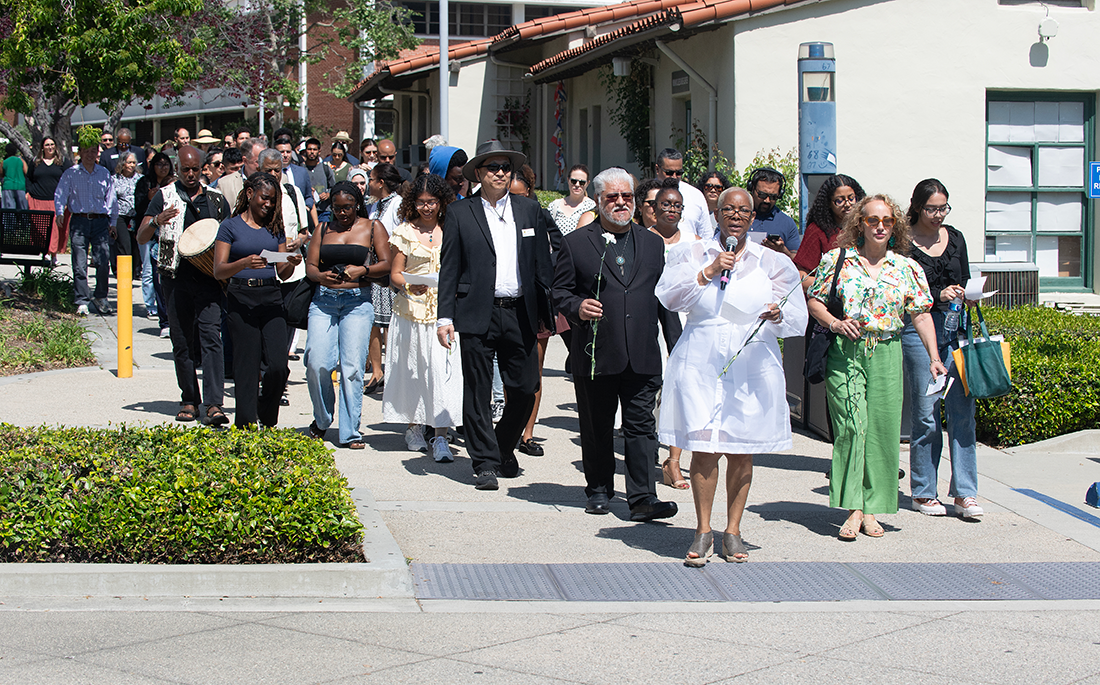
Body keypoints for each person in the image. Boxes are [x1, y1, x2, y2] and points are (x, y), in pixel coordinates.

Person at [656, 187, 807, 564]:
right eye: (728, 210)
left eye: (743, 211)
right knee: (704, 448)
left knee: (741, 450)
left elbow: (796, 316)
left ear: (752, 218)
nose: (736, 216)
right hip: (701, 360)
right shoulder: (690, 253)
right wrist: (708, 272)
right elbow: (669, 297)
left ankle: (733, 531)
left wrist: (777, 315)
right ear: (717, 215)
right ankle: (703, 530)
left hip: (751, 364)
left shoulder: (772, 262)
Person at [807, 194, 944, 540]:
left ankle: (871, 508)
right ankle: (852, 507)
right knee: (853, 426)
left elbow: (922, 313)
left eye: (886, 221)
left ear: (895, 225)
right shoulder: (837, 259)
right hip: (846, 351)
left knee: (882, 431)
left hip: (887, 350)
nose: (880, 226)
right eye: (872, 220)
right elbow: (814, 301)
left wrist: (934, 357)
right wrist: (836, 324)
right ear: (860, 224)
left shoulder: (907, 267)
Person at [551, 167, 678, 521]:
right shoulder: (576, 243)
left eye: (627, 196)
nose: (621, 203)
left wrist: (677, 346)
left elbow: (664, 298)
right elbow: (558, 291)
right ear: (598, 200)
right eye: (612, 197)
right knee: (597, 426)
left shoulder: (653, 243)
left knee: (641, 428)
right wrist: (577, 306)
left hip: (642, 353)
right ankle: (599, 490)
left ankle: (642, 498)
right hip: (597, 353)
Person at [437, 140, 554, 491]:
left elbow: (543, 265)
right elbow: (450, 268)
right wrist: (445, 317)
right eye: (493, 167)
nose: (501, 173)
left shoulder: (529, 210)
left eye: (506, 167)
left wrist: (548, 309)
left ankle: (503, 446)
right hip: (476, 312)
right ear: (478, 173)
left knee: (525, 386)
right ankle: (485, 463)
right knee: (477, 389)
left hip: (519, 311)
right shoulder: (460, 212)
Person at [902, 179, 983, 519]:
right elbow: (904, 291)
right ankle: (924, 491)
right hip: (920, 330)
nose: (938, 215)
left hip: (956, 330)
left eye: (943, 208)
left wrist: (965, 293)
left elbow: (963, 277)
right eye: (932, 209)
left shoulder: (957, 237)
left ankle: (965, 492)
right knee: (926, 413)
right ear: (918, 207)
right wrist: (938, 296)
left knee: (963, 412)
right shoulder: (903, 242)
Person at [137, 146, 232, 424]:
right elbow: (142, 237)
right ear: (177, 168)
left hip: (208, 279)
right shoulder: (164, 197)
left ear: (202, 168)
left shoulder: (215, 199)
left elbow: (228, 235)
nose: (190, 174)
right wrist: (156, 221)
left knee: (211, 339)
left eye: (195, 169)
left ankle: (214, 403)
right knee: (182, 342)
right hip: (175, 278)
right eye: (185, 169)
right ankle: (189, 399)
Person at [383, 174, 462, 462]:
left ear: (442, 203)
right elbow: (394, 273)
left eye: (432, 202)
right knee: (414, 371)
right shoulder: (404, 231)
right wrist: (406, 284)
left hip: (444, 314)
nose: (426, 208)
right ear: (412, 203)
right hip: (412, 312)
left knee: (442, 375)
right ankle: (414, 427)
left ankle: (440, 435)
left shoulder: (452, 228)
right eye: (421, 203)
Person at [304, 181, 389, 448]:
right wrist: (320, 275)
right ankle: (322, 418)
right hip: (324, 301)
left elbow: (386, 264)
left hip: (357, 302)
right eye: (337, 208)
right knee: (316, 363)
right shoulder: (322, 228)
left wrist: (362, 271)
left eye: (348, 208)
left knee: (352, 368)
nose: (342, 214)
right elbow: (310, 266)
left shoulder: (372, 226)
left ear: (357, 204)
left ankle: (350, 432)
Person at [213, 172, 302, 428]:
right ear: (250, 193)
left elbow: (282, 273)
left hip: (271, 296)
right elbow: (219, 270)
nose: (269, 204)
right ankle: (246, 425)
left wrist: (290, 261)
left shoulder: (275, 228)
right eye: (265, 198)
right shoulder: (229, 227)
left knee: (277, 367)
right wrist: (242, 263)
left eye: (273, 200)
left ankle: (267, 414)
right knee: (246, 367)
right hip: (241, 297)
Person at [647, 179, 699, 490]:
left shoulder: (694, 241)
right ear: (652, 209)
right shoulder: (641, 238)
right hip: (648, 323)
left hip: (685, 323)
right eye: (665, 204)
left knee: (679, 391)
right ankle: (649, 448)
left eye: (677, 205)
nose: (671, 210)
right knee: (654, 393)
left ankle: (674, 461)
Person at [54, 131, 118, 316]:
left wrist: (113, 222)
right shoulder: (71, 173)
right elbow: (60, 193)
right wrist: (59, 212)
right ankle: (82, 300)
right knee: (80, 263)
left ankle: (101, 297)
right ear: (80, 153)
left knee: (102, 261)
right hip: (80, 221)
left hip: (100, 222)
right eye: (87, 151)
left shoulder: (104, 173)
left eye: (93, 151)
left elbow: (111, 199)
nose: (90, 154)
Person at [363, 163, 404, 395]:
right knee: (374, 322)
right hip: (373, 270)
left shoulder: (398, 205)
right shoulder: (375, 205)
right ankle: (376, 372)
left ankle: (393, 373)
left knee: (389, 323)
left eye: (371, 179)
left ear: (381, 182)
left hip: (389, 270)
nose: (369, 183)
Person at [793, 174, 865, 289]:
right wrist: (832, 287)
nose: (847, 204)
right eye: (839, 201)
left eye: (851, 198)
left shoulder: (867, 227)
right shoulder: (817, 230)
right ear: (829, 203)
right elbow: (802, 277)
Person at [135, 152, 176, 331]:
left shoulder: (177, 187)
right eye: (159, 164)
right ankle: (163, 320)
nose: (163, 167)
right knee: (155, 278)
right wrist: (151, 201)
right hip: (155, 241)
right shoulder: (145, 184)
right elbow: (138, 209)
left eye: (166, 163)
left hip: (177, 244)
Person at [26, 137, 72, 263]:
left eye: (52, 144)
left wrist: (67, 197)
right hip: (37, 200)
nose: (50, 147)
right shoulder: (36, 161)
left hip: (56, 201)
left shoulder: (62, 161)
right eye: (47, 145)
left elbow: (71, 177)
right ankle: (44, 252)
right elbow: (29, 177)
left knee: (55, 229)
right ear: (43, 147)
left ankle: (53, 254)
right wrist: (28, 192)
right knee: (40, 228)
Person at [654, 148, 710, 239]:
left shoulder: (695, 195)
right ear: (657, 169)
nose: (674, 177)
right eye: (669, 172)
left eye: (679, 173)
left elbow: (706, 235)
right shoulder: (648, 193)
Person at [747, 167, 801, 259]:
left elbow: (798, 262)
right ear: (752, 188)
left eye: (773, 197)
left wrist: (783, 250)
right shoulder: (738, 217)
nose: (767, 200)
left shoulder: (787, 223)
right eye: (762, 195)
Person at [111, 151, 142, 279]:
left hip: (136, 216)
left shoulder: (140, 179)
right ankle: (123, 273)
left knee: (136, 246)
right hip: (121, 216)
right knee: (124, 245)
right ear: (123, 164)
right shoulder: (114, 179)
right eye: (129, 162)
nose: (131, 165)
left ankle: (135, 271)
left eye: (133, 162)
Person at [213, 138, 264, 208]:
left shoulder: (280, 179)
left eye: (265, 161)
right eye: (258, 162)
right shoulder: (224, 184)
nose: (263, 165)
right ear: (245, 161)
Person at [548, 164, 595, 238]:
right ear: (568, 180)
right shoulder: (555, 206)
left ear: (587, 183)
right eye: (573, 181)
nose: (577, 185)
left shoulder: (592, 207)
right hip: (557, 249)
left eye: (582, 182)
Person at [302, 138, 335, 222]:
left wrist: (328, 194)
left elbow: (334, 188)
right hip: (306, 210)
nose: (312, 152)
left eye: (314, 149)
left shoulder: (325, 168)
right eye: (309, 149)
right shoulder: (300, 169)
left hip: (324, 210)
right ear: (305, 151)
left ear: (319, 151)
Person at [697, 170, 730, 235]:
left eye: (718, 188)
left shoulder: (727, 213)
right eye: (708, 186)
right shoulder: (697, 211)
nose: (713, 190)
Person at [1, 143, 29, 210]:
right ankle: (23, 220)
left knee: (8, 211)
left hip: (7, 187)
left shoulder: (4, 162)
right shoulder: (21, 161)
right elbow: (26, 171)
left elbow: (1, 174)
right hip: (20, 187)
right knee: (23, 209)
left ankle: (9, 220)